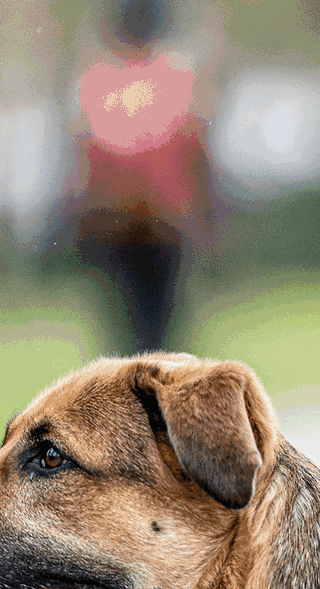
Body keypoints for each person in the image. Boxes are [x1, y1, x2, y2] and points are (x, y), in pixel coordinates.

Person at [64, 0, 211, 352]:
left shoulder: (96, 81)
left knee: (123, 324)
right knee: (161, 323)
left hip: (111, 222)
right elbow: (194, 148)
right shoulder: (175, 77)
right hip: (165, 223)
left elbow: (83, 156)